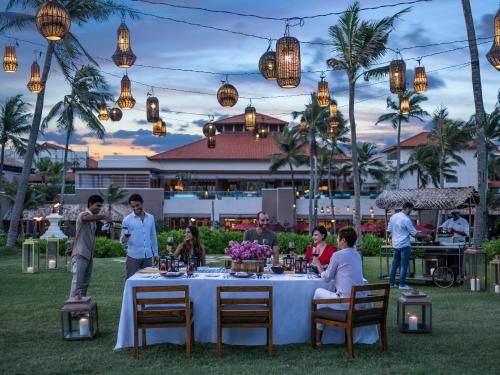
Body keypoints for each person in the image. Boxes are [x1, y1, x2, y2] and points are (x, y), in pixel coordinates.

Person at [312, 226, 377, 345]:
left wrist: (318, 264)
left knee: (318, 293)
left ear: (343, 240)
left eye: (338, 238)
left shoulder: (338, 255)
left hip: (347, 303)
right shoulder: (357, 255)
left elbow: (326, 278)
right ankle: (322, 339)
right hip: (360, 303)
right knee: (323, 300)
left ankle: (318, 339)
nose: (337, 241)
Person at [69, 195, 111, 298]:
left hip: (88, 255)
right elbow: (86, 218)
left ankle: (81, 308)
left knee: (84, 284)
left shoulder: (93, 221)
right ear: (90, 204)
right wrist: (103, 216)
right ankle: (73, 310)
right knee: (77, 284)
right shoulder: (83, 214)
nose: (99, 208)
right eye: (97, 206)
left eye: (101, 206)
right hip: (80, 254)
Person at [388, 202, 431, 289]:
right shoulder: (406, 219)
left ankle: (391, 284)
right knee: (404, 265)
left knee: (394, 265)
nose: (411, 211)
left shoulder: (393, 216)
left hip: (396, 244)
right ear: (407, 208)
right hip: (404, 245)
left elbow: (389, 230)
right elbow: (414, 234)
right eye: (411, 209)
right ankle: (402, 284)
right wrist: (426, 235)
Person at [121, 194, 158, 279]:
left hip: (148, 256)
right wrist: (124, 240)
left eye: (137, 205)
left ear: (142, 203)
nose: (135, 208)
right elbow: (122, 239)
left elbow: (153, 236)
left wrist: (155, 253)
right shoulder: (127, 220)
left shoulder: (151, 218)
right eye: (133, 206)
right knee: (131, 280)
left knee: (148, 281)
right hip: (133, 256)